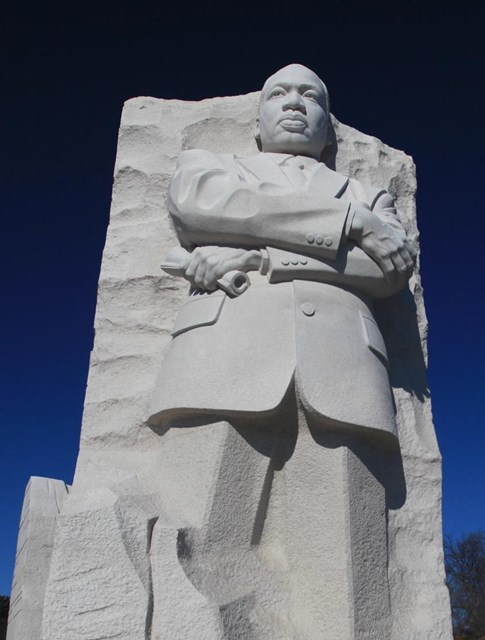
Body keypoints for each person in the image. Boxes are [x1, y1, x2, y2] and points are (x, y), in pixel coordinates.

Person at [147, 63, 416, 639]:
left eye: (311, 96)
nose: (296, 103)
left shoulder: (372, 194)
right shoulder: (212, 167)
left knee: (349, 571)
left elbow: (386, 268)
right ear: (257, 120)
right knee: (198, 549)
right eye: (280, 93)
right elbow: (203, 207)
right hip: (224, 357)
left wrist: (257, 255)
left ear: (328, 128)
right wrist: (347, 223)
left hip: (344, 372)